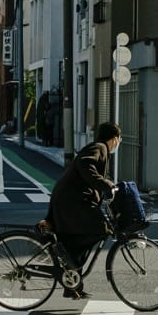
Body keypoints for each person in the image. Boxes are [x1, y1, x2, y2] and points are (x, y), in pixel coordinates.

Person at [45, 121, 122, 300]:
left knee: (79, 237)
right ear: (114, 138)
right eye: (119, 139)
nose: (118, 143)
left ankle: (72, 284)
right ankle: (67, 261)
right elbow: (86, 165)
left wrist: (105, 187)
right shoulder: (99, 148)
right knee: (100, 229)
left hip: (70, 199)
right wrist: (106, 184)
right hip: (72, 201)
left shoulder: (99, 147)